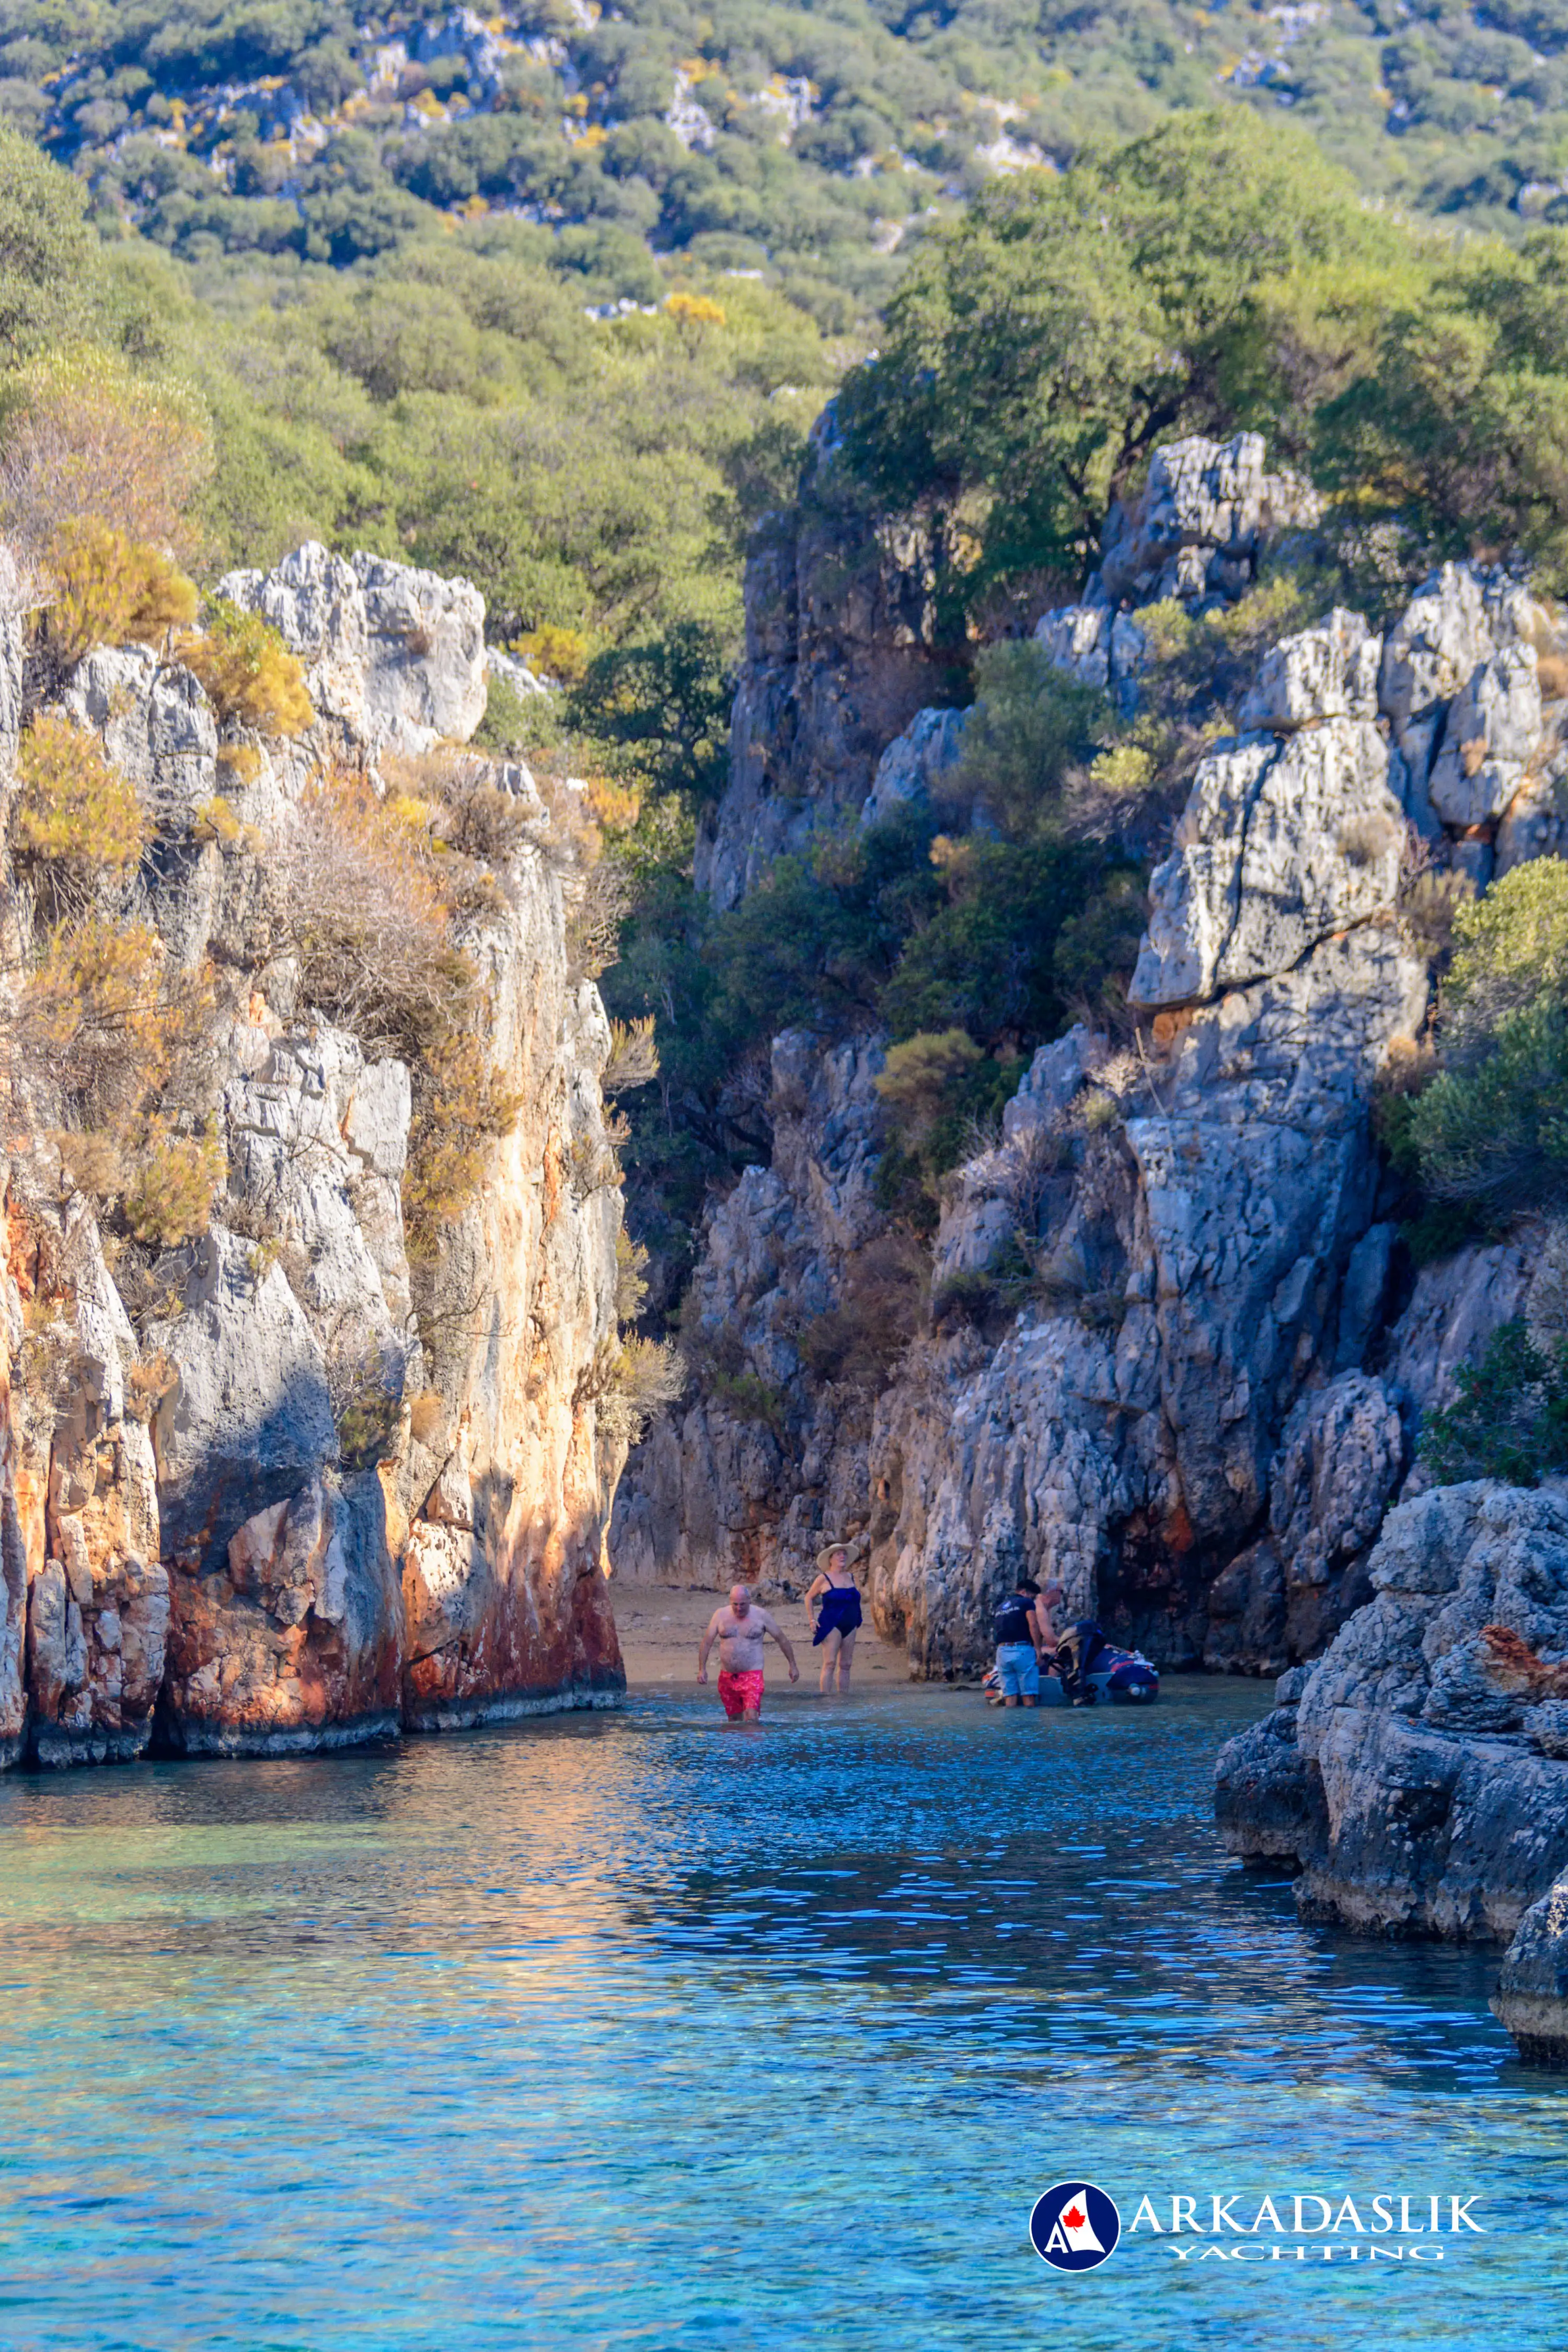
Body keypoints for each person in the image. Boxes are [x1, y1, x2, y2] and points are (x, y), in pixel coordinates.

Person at [697, 1583, 800, 1720]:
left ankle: (754, 1734)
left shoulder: (761, 1615)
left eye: (743, 1604)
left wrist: (793, 1665)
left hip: (753, 1675)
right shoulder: (720, 1615)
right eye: (735, 1604)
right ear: (730, 1601)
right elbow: (707, 1642)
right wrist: (702, 1669)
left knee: (751, 1718)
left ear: (749, 1600)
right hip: (727, 1677)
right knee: (734, 1721)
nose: (739, 1608)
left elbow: (781, 1639)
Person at [804, 1541, 863, 1693]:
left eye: (844, 1554)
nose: (842, 1556)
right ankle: (826, 1700)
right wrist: (812, 1620)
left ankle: (843, 1701)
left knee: (846, 1665)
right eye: (838, 1554)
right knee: (830, 1663)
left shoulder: (851, 1577)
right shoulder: (823, 1578)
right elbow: (808, 1598)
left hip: (851, 1624)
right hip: (831, 1624)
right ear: (831, 1559)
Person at [992, 1574, 1052, 1709]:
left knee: (1010, 1697)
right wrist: (1038, 1649)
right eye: (1033, 1597)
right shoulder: (1026, 1603)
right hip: (1022, 1651)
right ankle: (1029, 1721)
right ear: (1024, 1592)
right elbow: (1033, 1625)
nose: (1034, 1600)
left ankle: (1011, 1721)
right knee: (1028, 1695)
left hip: (1002, 1652)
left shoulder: (1000, 1607)